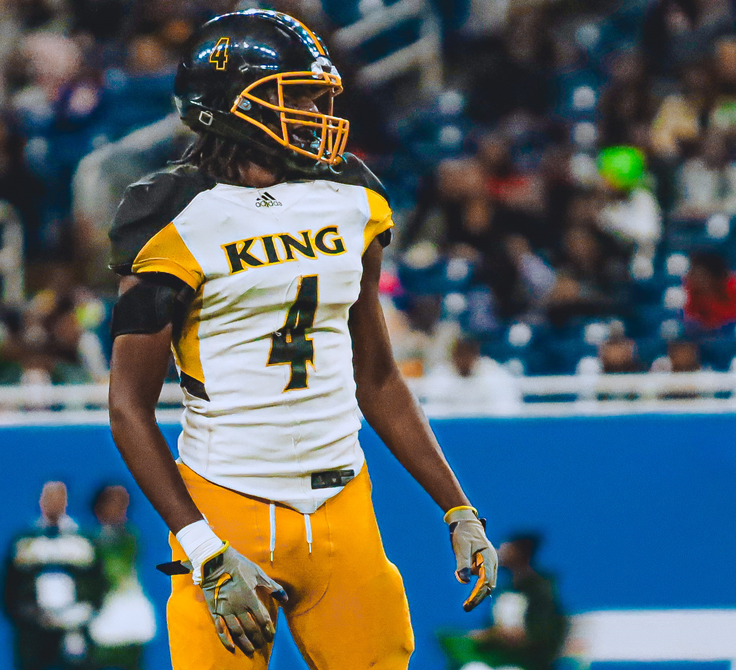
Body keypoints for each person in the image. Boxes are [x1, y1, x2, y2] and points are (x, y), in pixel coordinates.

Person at [106, 10, 498, 670]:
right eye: (299, 96)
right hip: (227, 503)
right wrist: (201, 546)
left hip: (342, 504)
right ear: (229, 106)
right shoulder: (169, 212)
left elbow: (376, 377)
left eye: (320, 96)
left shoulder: (349, 195)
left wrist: (459, 508)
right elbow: (128, 406)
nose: (319, 112)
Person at [0, 482, 109, 670]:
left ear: (66, 501)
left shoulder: (82, 541)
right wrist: (27, 615)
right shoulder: (24, 541)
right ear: (41, 501)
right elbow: (8, 587)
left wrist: (82, 612)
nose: (53, 502)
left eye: (59, 497)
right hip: (34, 633)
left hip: (74, 629)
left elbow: (98, 584)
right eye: (48, 497)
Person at [438, 533, 567, 670]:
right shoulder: (504, 591)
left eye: (506, 549)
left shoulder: (541, 590)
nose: (499, 552)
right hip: (501, 657)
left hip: (528, 661)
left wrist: (511, 637)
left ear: (519, 554)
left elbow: (544, 632)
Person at [85, 485, 155, 670]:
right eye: (114, 503)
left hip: (131, 616)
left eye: (124, 504)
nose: (120, 509)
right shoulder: (90, 541)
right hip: (100, 617)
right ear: (99, 506)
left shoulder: (131, 537)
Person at [424, 337, 521, 414]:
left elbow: (506, 409)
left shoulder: (493, 374)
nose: (464, 359)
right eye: (460, 355)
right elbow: (434, 411)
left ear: (476, 356)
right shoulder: (439, 377)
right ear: (453, 356)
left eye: (468, 354)